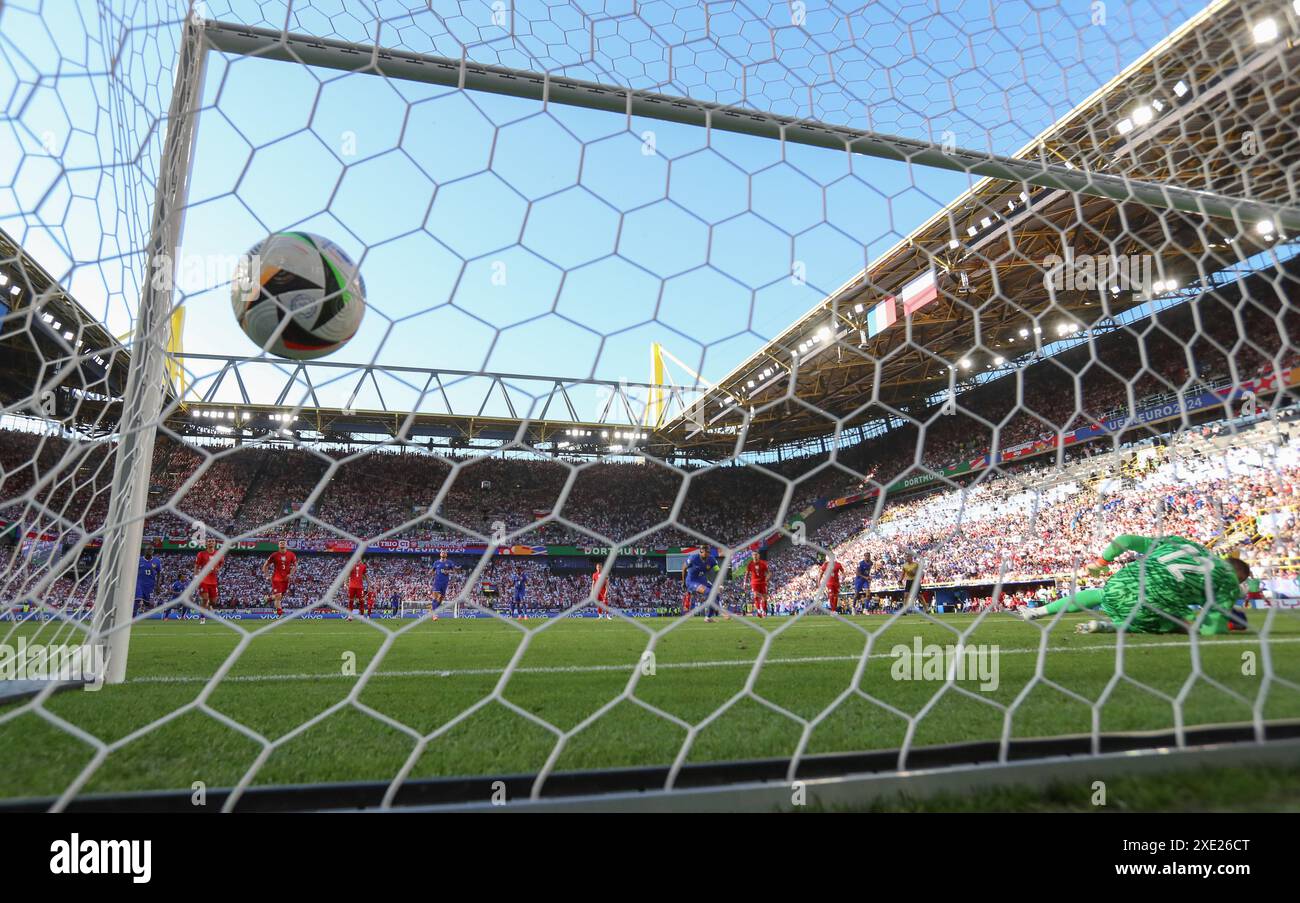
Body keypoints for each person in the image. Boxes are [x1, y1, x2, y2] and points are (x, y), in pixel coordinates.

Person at [1019, 535, 1250, 635]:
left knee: (1101, 593)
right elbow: (1210, 630)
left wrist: (1100, 564)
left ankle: (1036, 612)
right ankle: (1113, 627)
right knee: (1182, 622)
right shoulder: (1226, 582)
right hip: (1149, 606)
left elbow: (1125, 540)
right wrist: (1230, 623)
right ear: (1236, 578)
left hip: (1120, 585)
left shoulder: (1184, 544)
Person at [683, 546, 722, 622]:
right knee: (710, 592)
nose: (708, 554)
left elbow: (718, 571)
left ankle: (708, 617)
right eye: (706, 552)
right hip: (692, 581)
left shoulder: (711, 559)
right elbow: (684, 568)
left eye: (709, 552)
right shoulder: (693, 558)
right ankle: (721, 611)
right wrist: (683, 582)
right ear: (701, 552)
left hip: (702, 580)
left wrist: (719, 585)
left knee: (716, 595)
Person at [261, 540, 297, 618]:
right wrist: (267, 576)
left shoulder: (291, 554)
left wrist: (290, 574)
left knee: (279, 597)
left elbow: (295, 566)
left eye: (283, 543)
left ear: (286, 545)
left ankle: (268, 598)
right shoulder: (274, 555)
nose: (282, 544)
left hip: (286, 579)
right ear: (278, 545)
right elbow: (265, 566)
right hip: (276, 578)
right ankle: (280, 614)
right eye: (280, 543)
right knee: (278, 596)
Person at [195, 539, 222, 624]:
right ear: (206, 543)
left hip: (213, 581)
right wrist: (196, 577)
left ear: (215, 543)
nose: (210, 542)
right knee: (205, 599)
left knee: (213, 602)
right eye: (209, 541)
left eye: (212, 541)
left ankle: (208, 608)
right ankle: (202, 618)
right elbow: (196, 566)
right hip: (203, 580)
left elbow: (220, 565)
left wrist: (217, 569)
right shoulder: (201, 554)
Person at [134, 544, 162, 617]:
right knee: (136, 601)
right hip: (139, 584)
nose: (149, 551)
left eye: (151, 549)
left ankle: (145, 613)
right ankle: (132, 618)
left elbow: (159, 573)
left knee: (149, 604)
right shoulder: (139, 560)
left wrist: (158, 585)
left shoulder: (157, 561)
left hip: (150, 586)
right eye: (148, 549)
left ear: (153, 551)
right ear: (145, 551)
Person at [429, 550, 453, 621]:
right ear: (440, 554)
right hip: (437, 582)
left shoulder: (449, 562)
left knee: (440, 599)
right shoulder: (436, 562)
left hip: (445, 582)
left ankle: (433, 609)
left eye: (445, 552)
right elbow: (432, 571)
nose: (443, 553)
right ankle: (434, 615)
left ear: (446, 555)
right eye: (442, 552)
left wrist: (447, 571)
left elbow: (454, 571)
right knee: (435, 598)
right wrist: (430, 572)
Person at [346, 553, 368, 621]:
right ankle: (350, 616)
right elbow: (347, 574)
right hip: (351, 586)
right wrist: (345, 582)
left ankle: (361, 616)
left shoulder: (363, 566)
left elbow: (365, 575)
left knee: (361, 601)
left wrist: (369, 583)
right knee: (350, 601)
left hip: (360, 586)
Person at [748, 549, 770, 618]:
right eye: (753, 555)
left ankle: (764, 611)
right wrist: (745, 583)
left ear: (759, 556)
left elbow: (768, 573)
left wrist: (766, 579)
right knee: (756, 596)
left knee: (764, 597)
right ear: (752, 556)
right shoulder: (750, 564)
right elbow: (747, 573)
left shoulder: (763, 563)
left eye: (756, 555)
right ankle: (758, 611)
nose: (755, 556)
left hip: (762, 582)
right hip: (754, 582)